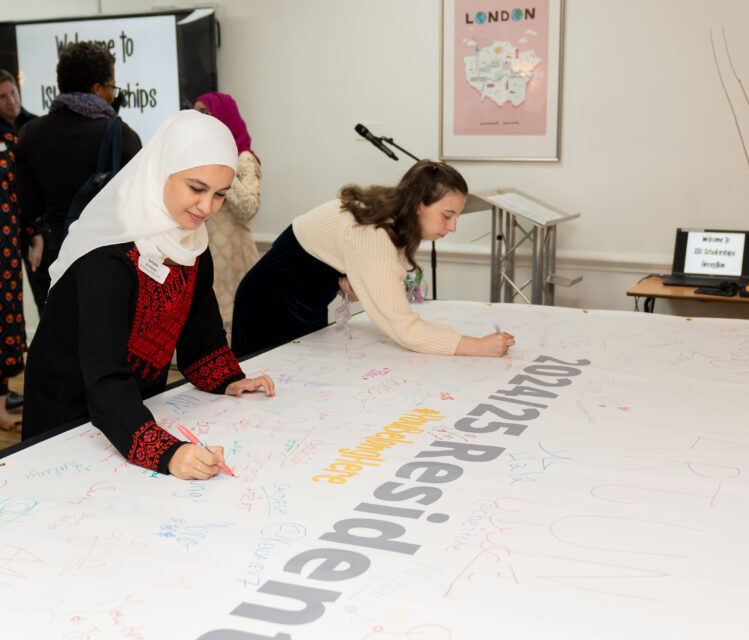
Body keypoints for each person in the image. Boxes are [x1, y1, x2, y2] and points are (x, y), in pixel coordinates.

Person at [22, 110, 275, 480]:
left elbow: (199, 327)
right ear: (161, 170)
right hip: (72, 409)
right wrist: (166, 453)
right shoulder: (107, 253)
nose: (207, 208)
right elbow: (104, 377)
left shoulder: (191, 241)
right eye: (196, 188)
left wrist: (228, 379)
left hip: (132, 407)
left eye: (220, 194)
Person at [232, 159, 516, 359]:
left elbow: (328, 259)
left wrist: (343, 278)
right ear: (419, 207)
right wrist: (476, 346)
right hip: (269, 312)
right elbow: (402, 327)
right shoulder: (374, 232)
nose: (453, 227)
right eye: (447, 215)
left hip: (300, 304)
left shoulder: (388, 217)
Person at [16, 41, 142, 315]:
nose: (113, 94)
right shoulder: (121, 136)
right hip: (106, 258)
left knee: (61, 342)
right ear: (98, 89)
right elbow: (140, 206)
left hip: (54, 258)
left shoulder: (29, 133)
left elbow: (30, 206)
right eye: (112, 86)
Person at [193, 92, 261, 341]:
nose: (200, 118)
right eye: (196, 112)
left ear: (223, 116)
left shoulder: (243, 159)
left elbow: (250, 208)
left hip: (233, 260)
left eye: (205, 112)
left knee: (234, 333)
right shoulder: (199, 159)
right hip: (205, 256)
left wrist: (225, 172)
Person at [0, 70, 41, 430]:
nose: (10, 100)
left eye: (12, 92)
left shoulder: (31, 127)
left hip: (13, 243)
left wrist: (35, 236)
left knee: (10, 318)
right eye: (2, 96)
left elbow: (26, 194)